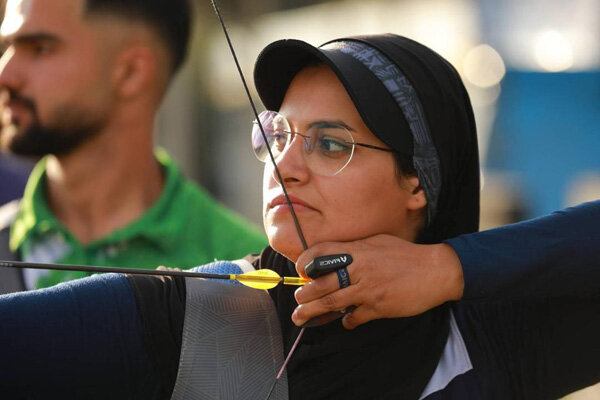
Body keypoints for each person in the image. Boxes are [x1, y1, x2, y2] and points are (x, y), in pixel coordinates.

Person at [0, 33, 598, 400]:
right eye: (277, 135)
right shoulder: (188, 319)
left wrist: (448, 268)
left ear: (417, 182)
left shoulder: (489, 340)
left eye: (331, 144)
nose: (285, 164)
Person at [0, 0, 266, 292]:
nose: (5, 75)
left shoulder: (251, 275)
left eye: (40, 48)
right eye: (7, 47)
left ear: (131, 71)